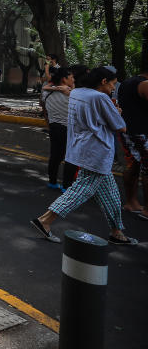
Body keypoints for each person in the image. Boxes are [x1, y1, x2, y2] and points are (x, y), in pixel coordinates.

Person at [30, 67, 138, 246]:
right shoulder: (100, 98)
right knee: (79, 191)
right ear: (103, 81)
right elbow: (121, 126)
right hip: (97, 152)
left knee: (110, 194)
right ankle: (45, 220)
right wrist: (117, 112)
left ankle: (117, 232)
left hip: (81, 148)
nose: (113, 88)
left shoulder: (78, 93)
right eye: (112, 84)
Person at [117, 66, 148, 221]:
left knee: (134, 165)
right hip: (142, 133)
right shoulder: (144, 84)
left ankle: (131, 202)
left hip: (128, 131)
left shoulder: (127, 83)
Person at [41, 67, 74, 192]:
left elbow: (44, 103)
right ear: (64, 79)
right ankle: (66, 185)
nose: (73, 80)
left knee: (55, 155)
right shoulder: (71, 94)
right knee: (70, 157)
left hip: (53, 126)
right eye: (72, 78)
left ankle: (52, 181)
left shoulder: (47, 93)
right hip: (67, 128)